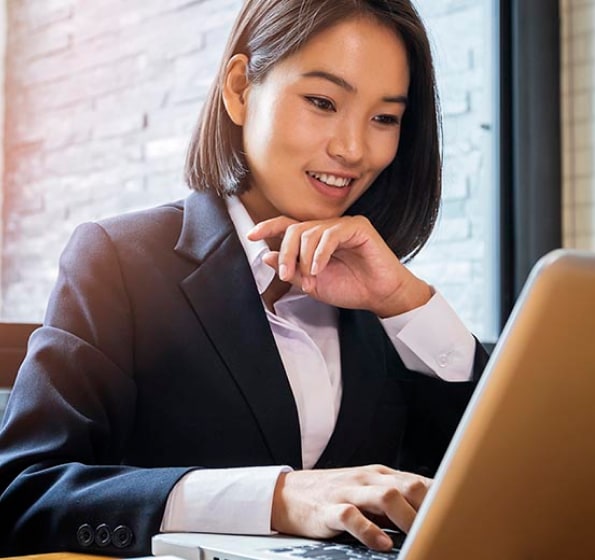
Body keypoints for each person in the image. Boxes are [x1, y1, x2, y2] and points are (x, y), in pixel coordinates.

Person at [0, 0, 489, 556]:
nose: (353, 149)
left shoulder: (387, 308)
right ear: (239, 88)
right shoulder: (120, 261)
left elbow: (500, 485)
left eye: (384, 118)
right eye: (323, 102)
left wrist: (405, 301)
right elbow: (22, 494)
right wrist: (277, 496)